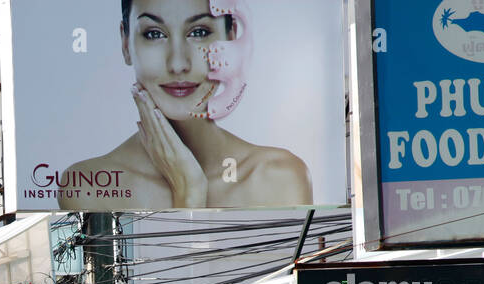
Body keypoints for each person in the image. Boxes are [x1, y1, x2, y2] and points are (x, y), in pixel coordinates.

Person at [60, 0, 311, 211]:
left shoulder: (280, 177)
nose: (178, 63)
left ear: (230, 38)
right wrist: (189, 191)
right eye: (155, 34)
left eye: (199, 32)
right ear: (126, 43)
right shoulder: (87, 185)